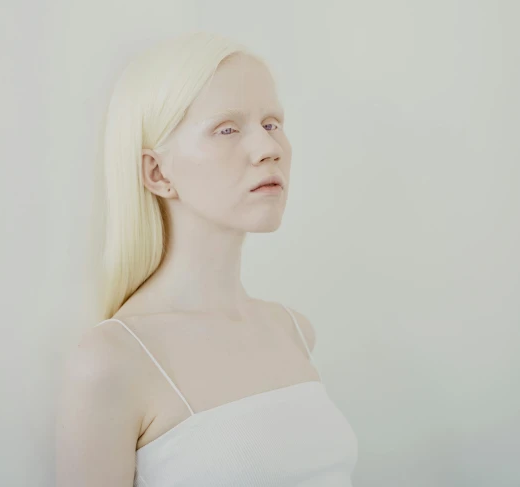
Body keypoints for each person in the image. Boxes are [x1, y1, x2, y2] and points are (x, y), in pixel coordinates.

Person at [55, 30, 358, 486]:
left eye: (272, 123)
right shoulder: (114, 361)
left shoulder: (294, 331)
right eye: (227, 129)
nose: (269, 148)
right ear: (157, 173)